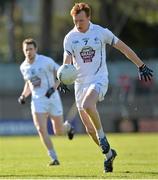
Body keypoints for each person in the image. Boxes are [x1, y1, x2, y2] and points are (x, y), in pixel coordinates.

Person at [62, 2, 153, 173]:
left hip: (99, 79)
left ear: (89, 17)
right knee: (89, 129)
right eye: (75, 21)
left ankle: (103, 138)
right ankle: (109, 155)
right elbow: (67, 62)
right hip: (79, 84)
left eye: (81, 20)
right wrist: (63, 80)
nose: (78, 24)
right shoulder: (70, 37)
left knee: (89, 105)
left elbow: (124, 48)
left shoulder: (101, 32)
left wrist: (140, 65)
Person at [18, 38, 74, 166]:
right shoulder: (23, 67)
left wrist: (54, 88)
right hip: (37, 101)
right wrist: (23, 95)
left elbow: (61, 73)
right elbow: (29, 83)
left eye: (31, 49)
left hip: (52, 98)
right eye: (26, 49)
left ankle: (68, 127)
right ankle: (54, 158)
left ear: (36, 49)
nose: (28, 52)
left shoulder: (46, 61)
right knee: (41, 129)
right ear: (23, 50)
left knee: (58, 131)